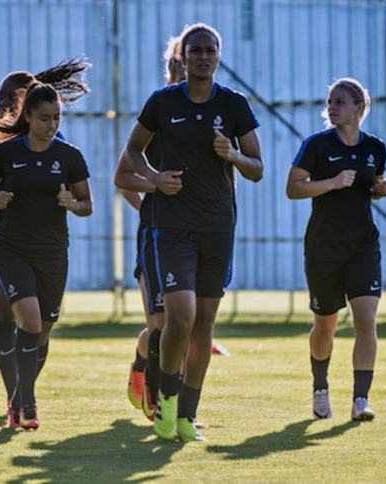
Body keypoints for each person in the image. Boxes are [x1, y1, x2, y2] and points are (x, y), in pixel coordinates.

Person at [125, 22, 264, 442]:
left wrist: (233, 154)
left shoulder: (235, 105)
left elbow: (258, 169)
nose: (203, 56)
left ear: (219, 56)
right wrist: (154, 177)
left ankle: (187, 416)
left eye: (210, 50)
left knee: (204, 324)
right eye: (195, 50)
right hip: (172, 226)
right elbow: (131, 151)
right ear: (183, 58)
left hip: (218, 226)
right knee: (179, 316)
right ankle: (166, 402)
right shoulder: (163, 103)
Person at [0, 59, 90, 427]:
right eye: (1, 97)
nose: (51, 124)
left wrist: (72, 204)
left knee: (40, 327)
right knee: (16, 317)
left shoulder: (64, 151)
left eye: (56, 118)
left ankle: (19, 395)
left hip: (49, 246)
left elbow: (86, 202)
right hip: (4, 241)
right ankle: (21, 399)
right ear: (29, 115)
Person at [286, 77, 386, 422]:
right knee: (326, 325)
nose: (332, 107)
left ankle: (361, 399)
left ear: (360, 108)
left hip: (363, 244)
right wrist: (331, 182)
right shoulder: (316, 145)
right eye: (330, 101)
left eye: (340, 102)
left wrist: (380, 189)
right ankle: (320, 390)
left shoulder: (375, 148)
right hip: (323, 247)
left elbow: (369, 187)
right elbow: (293, 188)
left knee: (366, 320)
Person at [114, 36, 184, 422]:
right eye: (179, 69)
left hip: (197, 232)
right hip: (157, 235)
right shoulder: (155, 117)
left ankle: (154, 378)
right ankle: (159, 402)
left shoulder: (210, 116)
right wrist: (154, 194)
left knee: (182, 325)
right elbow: (122, 178)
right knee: (161, 327)